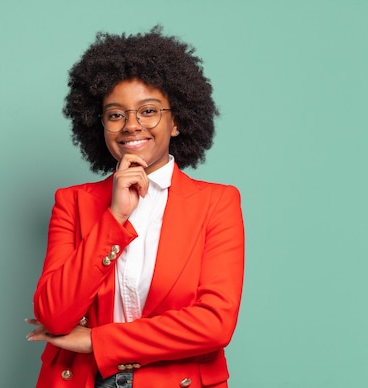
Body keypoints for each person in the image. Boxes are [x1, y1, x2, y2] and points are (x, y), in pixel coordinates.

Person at [26, 26, 245, 388]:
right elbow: (54, 314)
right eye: (115, 115)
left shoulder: (217, 203)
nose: (131, 126)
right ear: (99, 125)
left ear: (177, 122)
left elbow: (214, 324)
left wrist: (98, 341)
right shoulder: (72, 202)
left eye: (148, 111)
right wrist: (115, 216)